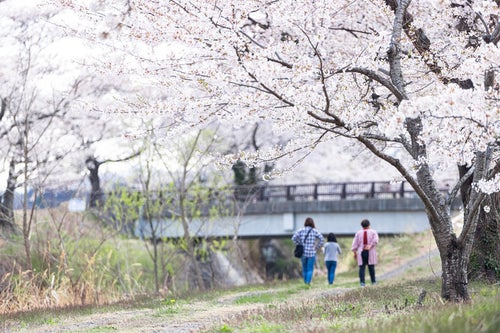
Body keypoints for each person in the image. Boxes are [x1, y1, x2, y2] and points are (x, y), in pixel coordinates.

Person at [292, 217, 324, 285]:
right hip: (312, 252)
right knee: (310, 269)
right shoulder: (315, 231)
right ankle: (308, 283)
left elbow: (294, 238)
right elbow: (322, 239)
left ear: (305, 223)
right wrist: (316, 247)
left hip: (303, 252)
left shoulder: (301, 230)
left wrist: (299, 244)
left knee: (304, 268)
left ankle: (305, 282)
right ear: (312, 223)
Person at [351, 219, 379, 286]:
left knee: (362, 268)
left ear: (362, 226)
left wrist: (355, 253)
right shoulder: (373, 232)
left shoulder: (358, 233)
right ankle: (373, 282)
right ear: (369, 225)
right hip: (370, 251)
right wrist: (370, 245)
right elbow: (376, 240)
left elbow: (355, 244)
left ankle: (362, 283)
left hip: (361, 251)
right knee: (371, 267)